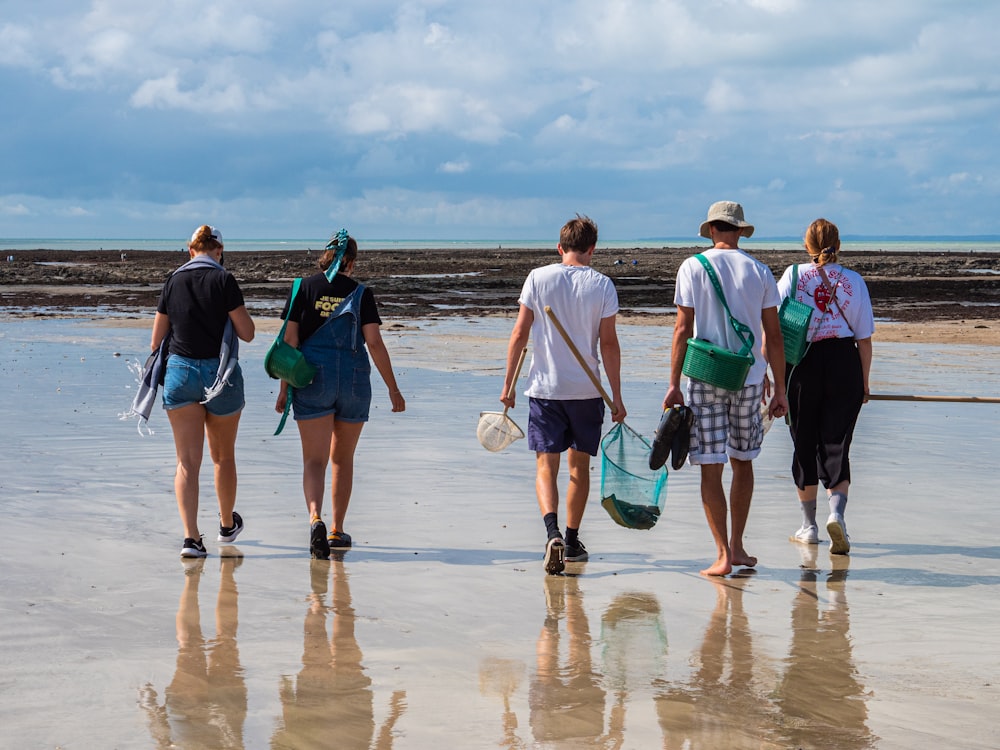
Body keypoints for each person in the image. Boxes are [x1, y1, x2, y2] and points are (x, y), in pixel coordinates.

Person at [662, 201, 788, 576]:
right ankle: (737, 547)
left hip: (703, 377)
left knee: (710, 466)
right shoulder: (760, 271)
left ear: (712, 230)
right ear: (738, 231)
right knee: (743, 460)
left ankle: (720, 555)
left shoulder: (692, 266)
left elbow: (682, 329)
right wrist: (780, 387)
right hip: (748, 378)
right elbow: (774, 336)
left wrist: (672, 384)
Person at [501, 214, 626, 576]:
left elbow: (519, 334)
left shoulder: (538, 278)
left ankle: (552, 533)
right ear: (592, 249)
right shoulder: (602, 285)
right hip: (587, 392)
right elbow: (609, 345)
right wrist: (616, 397)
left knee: (546, 466)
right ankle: (571, 540)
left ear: (560, 248)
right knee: (578, 469)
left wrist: (507, 386)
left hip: (545, 389)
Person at [274, 230, 405, 560]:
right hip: (354, 379)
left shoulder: (302, 288)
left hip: (311, 377)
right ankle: (336, 530)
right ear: (352, 261)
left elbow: (289, 342)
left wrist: (284, 388)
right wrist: (393, 389)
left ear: (326, 256)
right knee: (342, 459)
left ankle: (315, 517)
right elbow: (373, 342)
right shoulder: (362, 294)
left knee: (314, 460)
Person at [151, 225, 256, 557]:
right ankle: (226, 526)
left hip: (180, 373)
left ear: (190, 251)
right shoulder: (223, 280)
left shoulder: (173, 280)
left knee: (187, 463)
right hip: (219, 373)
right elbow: (248, 332)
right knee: (222, 457)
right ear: (219, 251)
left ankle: (191, 539)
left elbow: (156, 342)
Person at [777, 219, 874, 554]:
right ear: (839, 245)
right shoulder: (855, 281)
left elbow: (775, 333)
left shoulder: (791, 276)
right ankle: (837, 515)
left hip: (801, 363)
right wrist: (864, 383)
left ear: (806, 246)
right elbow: (864, 339)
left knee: (803, 443)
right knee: (837, 443)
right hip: (844, 362)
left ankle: (809, 526)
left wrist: (774, 379)